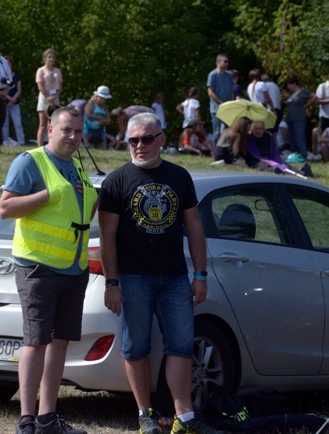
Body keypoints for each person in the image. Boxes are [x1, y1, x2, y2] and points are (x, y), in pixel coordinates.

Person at [98, 112, 221, 434]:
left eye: (147, 138)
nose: (140, 145)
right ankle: (144, 415)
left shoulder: (179, 176)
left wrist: (201, 274)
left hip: (175, 278)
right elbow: (107, 236)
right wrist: (112, 283)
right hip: (132, 277)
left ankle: (185, 418)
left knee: (181, 345)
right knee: (135, 346)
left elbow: (194, 226)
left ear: (162, 139)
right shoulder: (116, 181)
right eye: (133, 140)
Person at [0, 106, 96, 434]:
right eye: (66, 130)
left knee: (60, 343)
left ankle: (47, 418)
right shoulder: (31, 161)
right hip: (37, 268)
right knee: (36, 341)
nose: (73, 137)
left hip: (74, 267)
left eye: (78, 132)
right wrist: (46, 195)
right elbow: (6, 207)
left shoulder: (78, 167)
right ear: (50, 129)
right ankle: (27, 421)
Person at [284, 75, 316, 160]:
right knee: (292, 139)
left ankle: (304, 156)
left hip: (299, 118)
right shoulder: (291, 94)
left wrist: (306, 106)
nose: (288, 87)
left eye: (289, 85)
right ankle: (295, 156)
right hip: (290, 118)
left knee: (299, 138)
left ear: (294, 84)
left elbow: (314, 97)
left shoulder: (302, 92)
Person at [36, 48, 63, 147]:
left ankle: (51, 145)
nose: (51, 59)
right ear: (45, 58)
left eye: (53, 57)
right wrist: (48, 97)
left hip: (55, 97)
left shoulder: (58, 71)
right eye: (49, 57)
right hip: (44, 97)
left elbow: (60, 87)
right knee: (43, 124)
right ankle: (39, 146)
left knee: (53, 123)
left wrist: (54, 97)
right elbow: (40, 85)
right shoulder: (41, 70)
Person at [207, 53, 234, 146]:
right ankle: (216, 153)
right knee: (217, 132)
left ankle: (225, 151)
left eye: (228, 62)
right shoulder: (212, 75)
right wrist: (220, 102)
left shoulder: (229, 76)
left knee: (227, 131)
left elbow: (231, 91)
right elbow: (210, 92)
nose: (227, 64)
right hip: (216, 108)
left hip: (227, 107)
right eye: (225, 61)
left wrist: (232, 103)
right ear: (218, 62)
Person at [2, 56, 24, 145]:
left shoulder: (16, 76)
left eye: (9, 63)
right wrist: (9, 98)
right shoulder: (2, 77)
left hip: (15, 103)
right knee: (5, 124)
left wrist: (13, 99)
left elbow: (19, 90)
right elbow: (1, 90)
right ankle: (5, 141)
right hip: (4, 103)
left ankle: (21, 142)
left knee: (18, 123)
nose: (8, 65)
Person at [83, 85, 112, 149]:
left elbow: (108, 118)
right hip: (89, 130)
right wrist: (101, 118)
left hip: (100, 131)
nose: (105, 100)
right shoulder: (92, 102)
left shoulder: (104, 106)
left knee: (102, 149)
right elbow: (87, 114)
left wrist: (106, 121)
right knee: (90, 149)